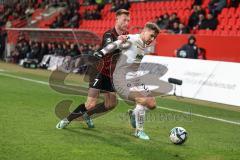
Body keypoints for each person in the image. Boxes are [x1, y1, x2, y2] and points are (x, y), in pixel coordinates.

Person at [56, 9, 130, 129]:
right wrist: (120, 41)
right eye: (124, 20)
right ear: (117, 19)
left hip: (111, 74)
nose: (126, 22)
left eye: (128, 20)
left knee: (111, 104)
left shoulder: (126, 35)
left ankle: (87, 115)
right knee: (90, 104)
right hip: (99, 70)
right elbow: (108, 47)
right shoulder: (109, 34)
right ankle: (67, 119)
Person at [94, 22, 161, 140]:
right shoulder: (132, 39)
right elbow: (116, 43)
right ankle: (139, 131)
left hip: (134, 78)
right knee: (142, 100)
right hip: (121, 78)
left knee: (152, 104)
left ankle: (134, 114)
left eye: (154, 37)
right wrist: (101, 52)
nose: (152, 39)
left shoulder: (144, 45)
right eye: (151, 35)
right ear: (144, 31)